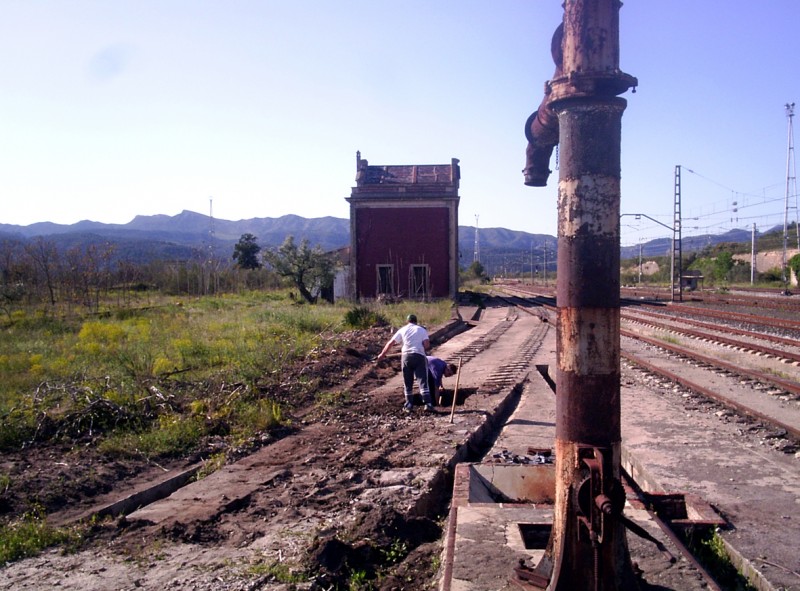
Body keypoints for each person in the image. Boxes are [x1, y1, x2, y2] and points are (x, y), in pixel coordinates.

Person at [376, 314, 433, 412]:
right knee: (422, 380)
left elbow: (390, 343)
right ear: (416, 321)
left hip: (406, 356)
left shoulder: (402, 330)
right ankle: (428, 404)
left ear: (407, 321)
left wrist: (382, 354)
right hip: (419, 356)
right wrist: (421, 348)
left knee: (407, 381)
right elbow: (427, 345)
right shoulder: (421, 330)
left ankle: (409, 405)